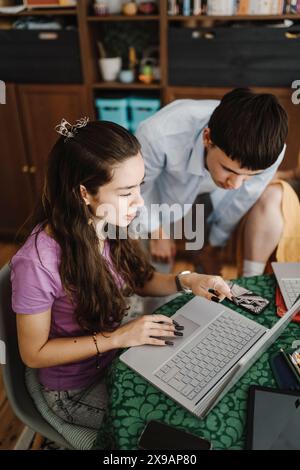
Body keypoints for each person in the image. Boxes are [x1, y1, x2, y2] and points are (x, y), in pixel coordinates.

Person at [10, 118, 231, 430]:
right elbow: (33, 354)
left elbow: (141, 280)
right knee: (179, 428)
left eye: (139, 187)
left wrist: (187, 279)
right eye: (126, 192)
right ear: (84, 193)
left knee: (202, 392)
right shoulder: (37, 262)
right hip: (74, 389)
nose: (139, 203)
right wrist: (120, 336)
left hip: (120, 358)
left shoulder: (107, 223)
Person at [136, 88, 289, 277]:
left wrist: (215, 246)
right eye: (229, 170)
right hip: (163, 192)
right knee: (154, 267)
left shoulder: (271, 150)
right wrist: (156, 233)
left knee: (208, 264)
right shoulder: (158, 135)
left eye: (249, 175)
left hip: (215, 197)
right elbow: (138, 189)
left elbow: (243, 198)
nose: (236, 183)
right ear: (207, 138)